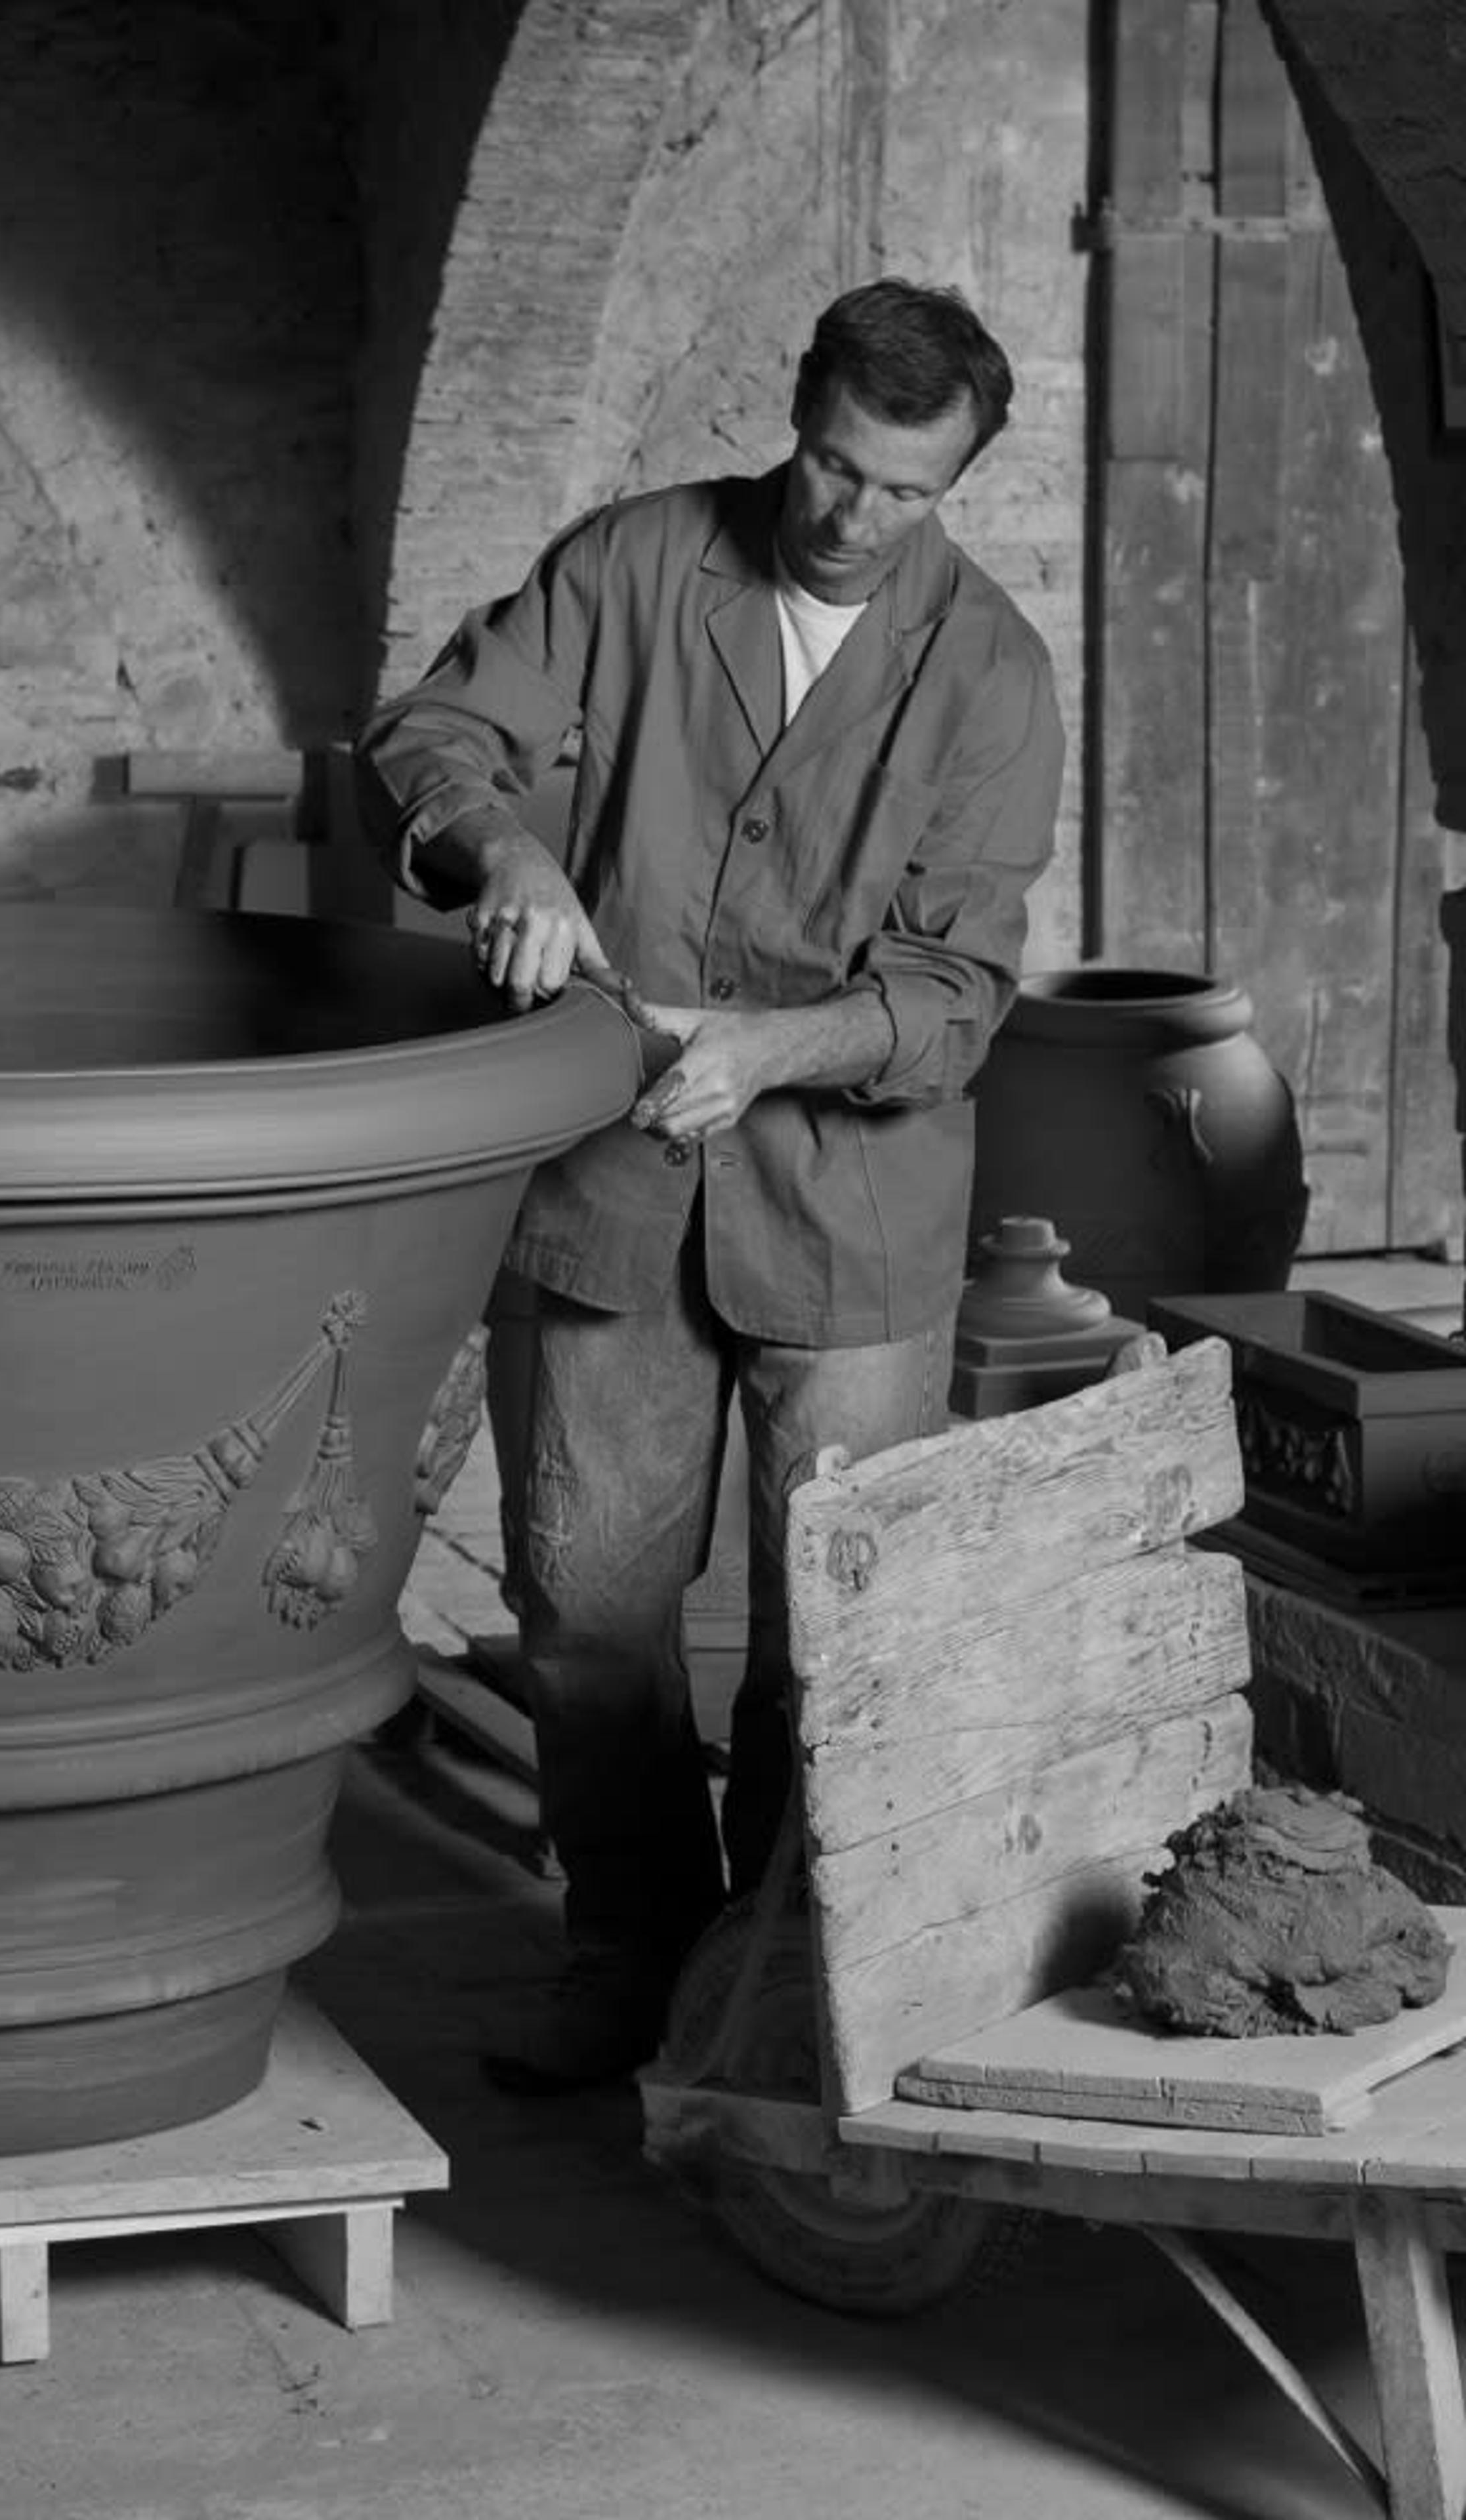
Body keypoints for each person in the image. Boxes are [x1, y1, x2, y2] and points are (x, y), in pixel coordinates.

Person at [355, 278, 1064, 2094]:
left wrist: (772, 1048)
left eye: (904, 491)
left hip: (855, 1209)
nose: (852, 517)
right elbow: (430, 734)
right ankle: (633, 1962)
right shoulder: (634, 563)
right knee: (589, 1608)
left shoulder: (991, 671)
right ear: (798, 411)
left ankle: (791, 1992)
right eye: (832, 465)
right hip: (607, 1192)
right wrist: (503, 851)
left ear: (956, 482)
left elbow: (955, 991)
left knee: (835, 1629)